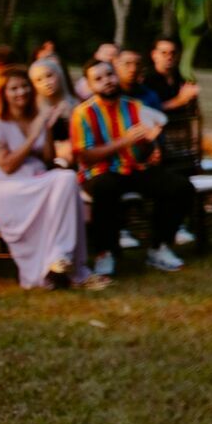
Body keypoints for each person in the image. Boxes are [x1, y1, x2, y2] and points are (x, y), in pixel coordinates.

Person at [0, 67, 105, 290]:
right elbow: (8, 166)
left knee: (66, 179)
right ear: (2, 93)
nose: (21, 92)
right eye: (14, 88)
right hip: (9, 186)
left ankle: (61, 260)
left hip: (38, 179)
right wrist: (33, 133)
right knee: (65, 179)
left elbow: (48, 159)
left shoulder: (35, 116)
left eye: (24, 86)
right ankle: (65, 260)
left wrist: (45, 128)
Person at [70, 59, 193, 274]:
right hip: (99, 172)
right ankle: (105, 253)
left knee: (180, 187)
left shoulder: (135, 107)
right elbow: (86, 157)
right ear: (90, 87)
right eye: (98, 79)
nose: (106, 81)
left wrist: (151, 146)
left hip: (134, 168)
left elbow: (144, 149)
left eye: (109, 75)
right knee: (105, 188)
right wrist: (124, 141)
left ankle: (159, 247)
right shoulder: (83, 113)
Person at [28, 57, 80, 164]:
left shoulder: (76, 105)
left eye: (49, 76)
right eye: (39, 80)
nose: (46, 83)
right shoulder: (32, 110)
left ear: (59, 75)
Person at [144, 36, 202, 125]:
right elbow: (146, 110)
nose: (169, 57)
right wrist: (179, 101)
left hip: (183, 128)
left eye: (173, 53)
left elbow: (194, 109)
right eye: (164, 53)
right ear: (154, 55)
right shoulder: (146, 79)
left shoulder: (181, 76)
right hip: (158, 130)